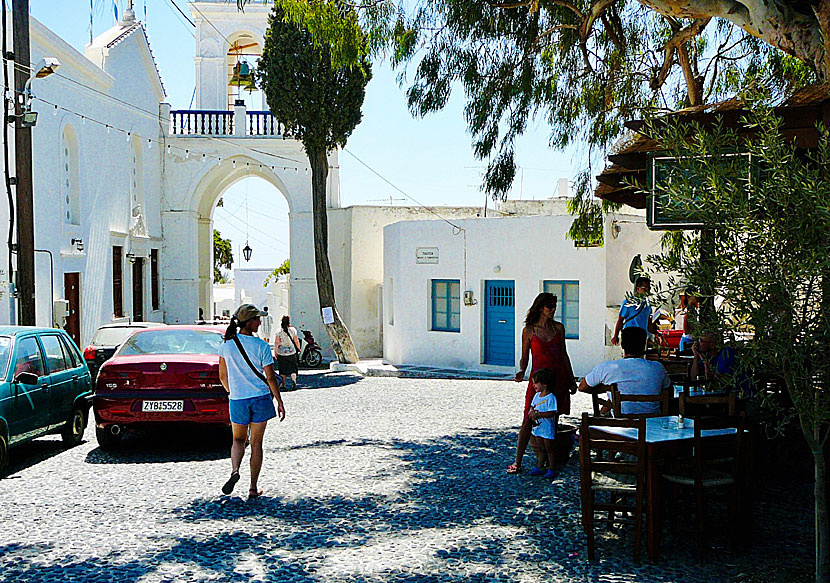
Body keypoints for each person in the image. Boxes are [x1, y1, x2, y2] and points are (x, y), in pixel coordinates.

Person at [218, 304, 286, 499]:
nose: (259, 322)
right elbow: (271, 378)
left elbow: (223, 376)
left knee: (238, 440)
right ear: (250, 322)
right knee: (256, 444)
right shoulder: (262, 346)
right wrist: (280, 401)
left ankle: (235, 470)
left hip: (238, 399)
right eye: (257, 319)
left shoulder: (226, 345)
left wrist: (233, 391)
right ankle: (253, 488)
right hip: (260, 398)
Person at [507, 292, 576, 474]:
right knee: (527, 419)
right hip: (537, 381)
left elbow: (563, 355)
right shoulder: (529, 331)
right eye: (549, 306)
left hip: (557, 379)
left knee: (551, 420)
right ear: (540, 307)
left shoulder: (559, 328)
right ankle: (518, 461)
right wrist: (522, 370)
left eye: (554, 306)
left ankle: (547, 463)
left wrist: (571, 380)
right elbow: (524, 357)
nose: (553, 310)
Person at [579, 327, 671, 416]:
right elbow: (669, 392)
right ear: (644, 346)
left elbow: (582, 387)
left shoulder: (607, 368)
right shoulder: (657, 368)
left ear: (622, 345)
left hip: (621, 426)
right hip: (653, 425)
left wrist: (607, 388)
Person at [527, 369, 559, 479]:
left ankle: (551, 468)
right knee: (540, 447)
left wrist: (539, 415)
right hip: (538, 427)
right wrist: (531, 411)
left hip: (547, 427)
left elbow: (552, 412)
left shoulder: (550, 397)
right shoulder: (537, 396)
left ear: (544, 384)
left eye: (535, 383)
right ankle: (540, 466)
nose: (533, 385)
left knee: (549, 448)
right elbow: (532, 405)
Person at [611, 276, 654, 347]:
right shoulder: (628, 302)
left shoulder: (648, 304)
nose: (647, 290)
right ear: (638, 288)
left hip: (642, 336)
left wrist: (651, 336)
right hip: (629, 335)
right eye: (644, 288)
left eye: (648, 288)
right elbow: (620, 320)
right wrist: (616, 336)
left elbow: (649, 322)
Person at [275, 315, 301, 390]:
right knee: (293, 368)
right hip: (291, 351)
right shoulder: (293, 330)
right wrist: (298, 348)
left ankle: (283, 384)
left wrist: (275, 352)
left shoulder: (279, 331)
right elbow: (296, 340)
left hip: (282, 352)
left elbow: (277, 342)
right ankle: (294, 381)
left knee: (282, 369)